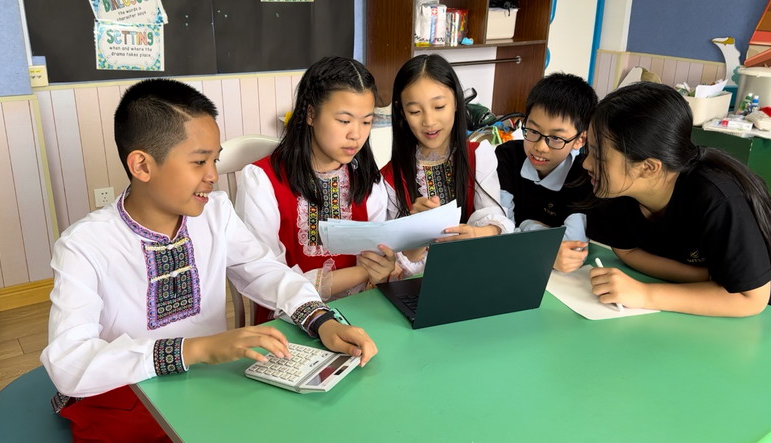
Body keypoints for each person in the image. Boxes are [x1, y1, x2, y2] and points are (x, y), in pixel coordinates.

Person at [40, 78, 378, 441]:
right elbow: (70, 363)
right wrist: (197, 348)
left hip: (211, 382)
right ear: (142, 165)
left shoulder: (215, 213)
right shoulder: (83, 245)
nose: (213, 176)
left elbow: (262, 271)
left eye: (214, 160)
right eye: (199, 161)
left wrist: (322, 321)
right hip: (127, 397)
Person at [584, 81, 771, 316]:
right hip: (696, 298)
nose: (586, 164)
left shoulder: (717, 198)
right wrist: (705, 277)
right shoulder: (612, 188)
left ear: (648, 167)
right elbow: (627, 251)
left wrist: (645, 294)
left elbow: (751, 299)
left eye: (598, 156)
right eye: (588, 150)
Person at [235, 57, 396, 323]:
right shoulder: (262, 180)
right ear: (311, 114)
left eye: (366, 122)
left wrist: (381, 268)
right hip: (289, 322)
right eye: (344, 121)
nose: (356, 135)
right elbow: (265, 277)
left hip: (362, 315)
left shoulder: (368, 180)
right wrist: (363, 272)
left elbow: (377, 259)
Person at [381, 54, 513, 275]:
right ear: (401, 111)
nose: (429, 121)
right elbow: (399, 265)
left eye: (439, 106)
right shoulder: (388, 179)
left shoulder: (478, 155)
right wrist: (416, 230)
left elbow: (495, 219)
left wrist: (474, 234)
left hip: (475, 273)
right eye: (415, 111)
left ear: (457, 103)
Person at [496, 73, 597, 273]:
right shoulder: (508, 156)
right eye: (533, 131)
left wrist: (521, 226)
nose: (540, 147)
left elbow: (572, 249)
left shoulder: (584, 175)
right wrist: (539, 237)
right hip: (509, 265)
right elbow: (498, 230)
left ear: (580, 140)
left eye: (556, 138)